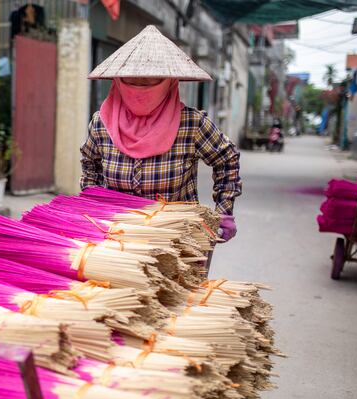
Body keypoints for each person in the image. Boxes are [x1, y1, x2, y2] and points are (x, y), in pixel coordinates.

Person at [80, 25, 241, 242]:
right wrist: (93, 203)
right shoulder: (102, 124)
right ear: (117, 80)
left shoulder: (191, 124)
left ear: (169, 82)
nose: (141, 85)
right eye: (132, 79)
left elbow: (227, 159)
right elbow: (89, 164)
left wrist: (224, 211)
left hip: (177, 240)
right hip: (117, 238)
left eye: (152, 79)